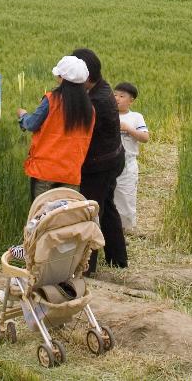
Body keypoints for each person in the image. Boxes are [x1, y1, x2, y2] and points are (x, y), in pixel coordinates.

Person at [75, 48, 127, 273]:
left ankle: (88, 266)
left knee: (91, 212)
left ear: (86, 76)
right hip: (112, 158)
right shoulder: (102, 88)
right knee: (107, 207)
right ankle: (118, 259)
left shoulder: (96, 100)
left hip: (100, 165)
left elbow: (77, 130)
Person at [18, 56, 95, 201]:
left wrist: (23, 116)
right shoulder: (89, 108)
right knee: (66, 218)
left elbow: (32, 124)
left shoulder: (51, 100)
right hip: (71, 172)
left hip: (45, 170)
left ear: (61, 78)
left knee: (42, 216)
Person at [113, 82, 149, 233]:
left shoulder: (135, 117)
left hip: (128, 165)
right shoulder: (107, 114)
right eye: (115, 95)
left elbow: (145, 137)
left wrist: (128, 129)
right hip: (109, 164)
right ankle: (109, 229)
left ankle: (124, 230)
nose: (117, 99)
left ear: (131, 100)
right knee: (110, 197)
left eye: (122, 96)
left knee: (125, 197)